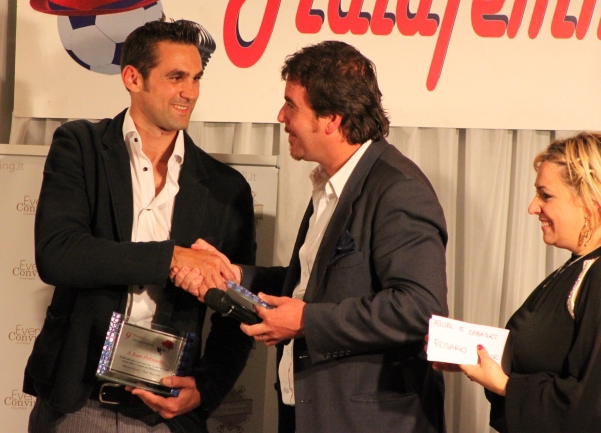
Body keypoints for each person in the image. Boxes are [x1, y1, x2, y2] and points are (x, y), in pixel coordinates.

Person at [173, 41, 449, 433]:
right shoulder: (332, 184)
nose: (281, 116)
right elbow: (312, 285)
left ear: (331, 119)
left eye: (292, 105)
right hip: (308, 413)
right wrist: (235, 277)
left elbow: (420, 309)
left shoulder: (397, 188)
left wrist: (306, 321)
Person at [22, 20, 256, 433]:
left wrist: (206, 388)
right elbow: (59, 254)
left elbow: (238, 309)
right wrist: (171, 258)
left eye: (196, 78)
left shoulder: (225, 187)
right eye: (176, 77)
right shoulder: (80, 146)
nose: (190, 92)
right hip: (78, 405)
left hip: (164, 413)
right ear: (133, 78)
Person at [434, 132, 601, 432]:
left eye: (546, 195)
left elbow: (588, 402)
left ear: (590, 202)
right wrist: (471, 354)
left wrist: (504, 385)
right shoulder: (576, 269)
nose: (532, 207)